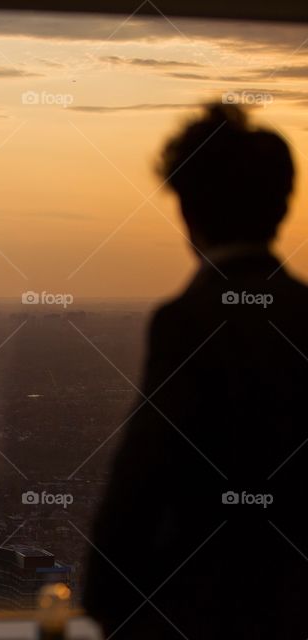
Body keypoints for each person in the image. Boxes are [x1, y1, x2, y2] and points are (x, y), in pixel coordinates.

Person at [83, 103, 308, 639]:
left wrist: (105, 600)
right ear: (281, 206)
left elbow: (144, 472)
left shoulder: (191, 320)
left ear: (187, 211)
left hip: (212, 611)